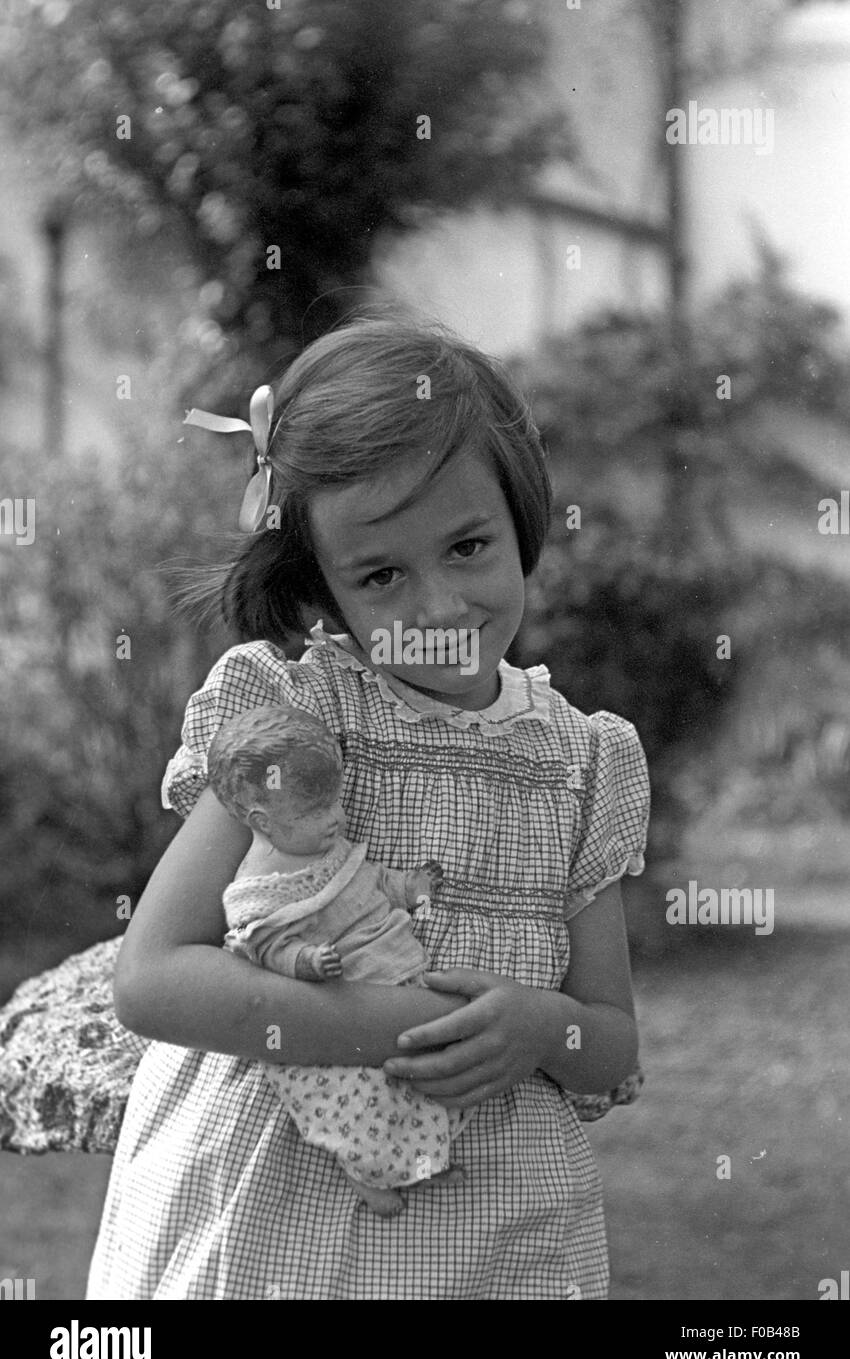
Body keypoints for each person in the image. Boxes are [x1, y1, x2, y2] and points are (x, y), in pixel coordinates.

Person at [87, 315, 650, 1300]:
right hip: (267, 1221)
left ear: (521, 522)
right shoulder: (299, 712)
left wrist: (539, 1027)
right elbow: (154, 978)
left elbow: (608, 1041)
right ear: (325, 595)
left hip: (491, 1242)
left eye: (468, 546)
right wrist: (390, 1024)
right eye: (383, 575)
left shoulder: (582, 762)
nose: (437, 606)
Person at [208, 702, 467, 1216]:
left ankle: (421, 1163)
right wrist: (305, 961)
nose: (337, 819)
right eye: (316, 812)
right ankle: (369, 1174)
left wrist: (409, 887)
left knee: (423, 1090)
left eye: (335, 803)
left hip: (399, 979)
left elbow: (369, 882)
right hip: (347, 1006)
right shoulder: (261, 890)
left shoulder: (326, 849)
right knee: (361, 1102)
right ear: (263, 820)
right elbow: (266, 948)